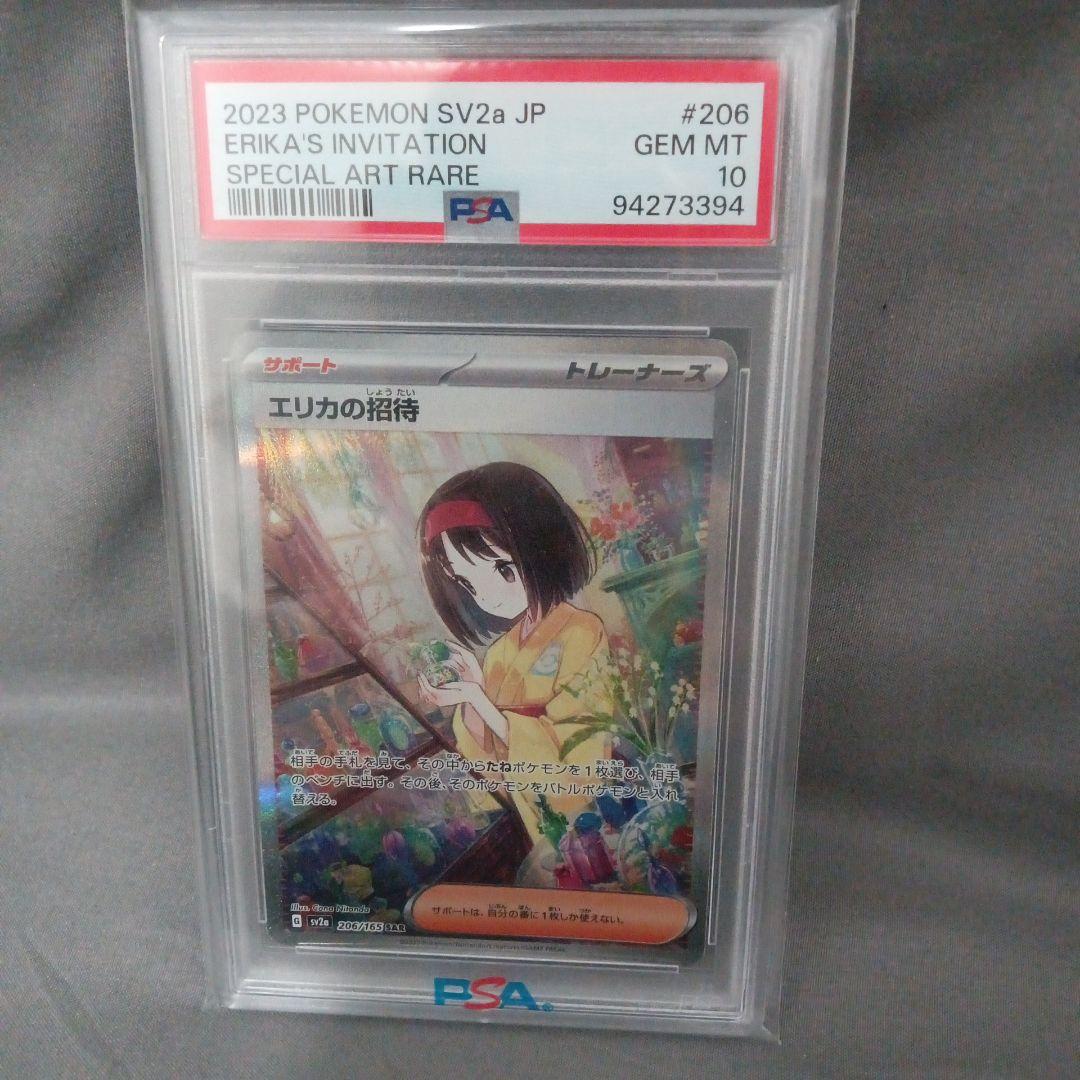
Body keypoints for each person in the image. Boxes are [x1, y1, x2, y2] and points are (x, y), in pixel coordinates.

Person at [416, 462, 612, 846]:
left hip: (591, 824)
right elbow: (492, 778)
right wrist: (472, 696)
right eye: (467, 582)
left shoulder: (582, 633)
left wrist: (481, 701)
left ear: (539, 548)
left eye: (503, 569)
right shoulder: (499, 655)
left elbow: (581, 772)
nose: (487, 597)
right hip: (538, 829)